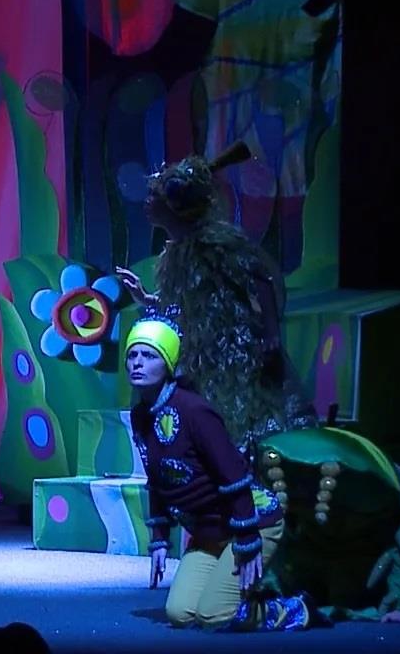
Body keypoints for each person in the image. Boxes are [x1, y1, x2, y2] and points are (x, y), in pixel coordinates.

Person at [116, 143, 317, 450]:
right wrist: (145, 297)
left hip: (233, 347)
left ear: (174, 206)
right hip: (202, 351)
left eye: (154, 198)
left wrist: (271, 331)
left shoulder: (214, 243)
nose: (147, 203)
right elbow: (185, 302)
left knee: (247, 412)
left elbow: (260, 277)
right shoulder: (176, 252)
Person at [124, 309, 316, 631]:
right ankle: (234, 591)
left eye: (149, 355)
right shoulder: (141, 415)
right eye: (132, 355)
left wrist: (248, 539)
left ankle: (292, 609)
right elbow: (157, 480)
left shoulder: (194, 411)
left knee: (214, 616)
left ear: (167, 364)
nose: (137, 363)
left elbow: (235, 476)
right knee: (181, 614)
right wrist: (159, 538)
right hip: (209, 530)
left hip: (251, 520)